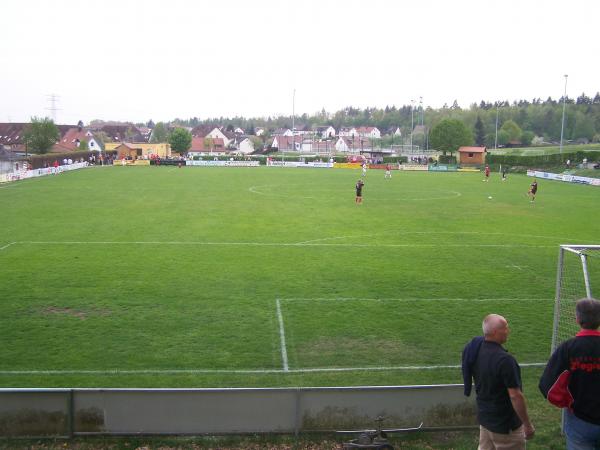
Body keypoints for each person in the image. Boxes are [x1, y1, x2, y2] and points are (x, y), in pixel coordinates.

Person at [462, 314, 535, 449]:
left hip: (485, 420)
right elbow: (515, 396)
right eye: (505, 328)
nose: (508, 331)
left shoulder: (475, 349)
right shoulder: (505, 360)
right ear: (496, 332)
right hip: (505, 426)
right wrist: (527, 424)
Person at [539, 298, 600, 450]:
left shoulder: (568, 348)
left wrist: (567, 403)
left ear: (578, 319)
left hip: (580, 420)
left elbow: (548, 386)